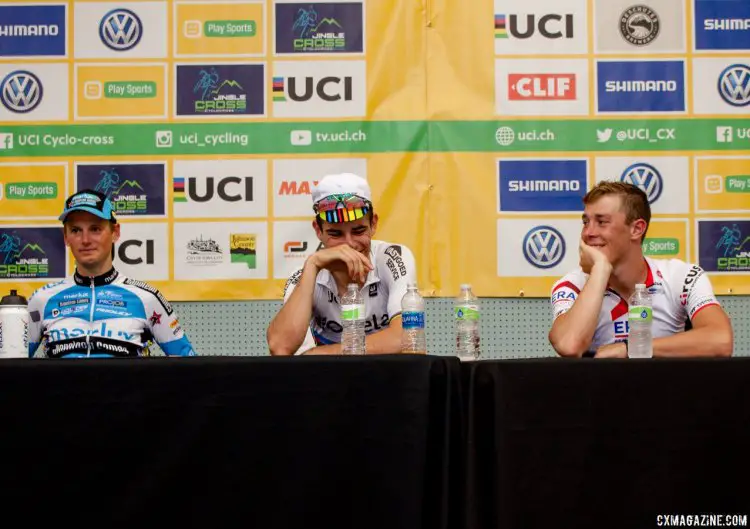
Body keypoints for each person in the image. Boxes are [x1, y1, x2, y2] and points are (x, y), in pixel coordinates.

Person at [548, 181, 733, 358]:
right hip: (600, 389)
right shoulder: (571, 285)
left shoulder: (682, 276)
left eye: (602, 222)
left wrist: (632, 349)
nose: (588, 232)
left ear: (636, 229)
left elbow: (721, 340)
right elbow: (569, 345)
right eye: (586, 222)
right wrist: (600, 270)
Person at [27, 189, 196, 358]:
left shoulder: (146, 298)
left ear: (115, 232)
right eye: (76, 230)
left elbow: (188, 367)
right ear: (66, 237)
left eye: (95, 229)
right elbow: (10, 368)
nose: (85, 240)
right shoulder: (42, 300)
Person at [267, 172, 417, 355]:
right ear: (318, 230)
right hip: (331, 380)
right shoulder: (305, 274)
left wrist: (321, 353)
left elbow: (408, 338)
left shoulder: (393, 257)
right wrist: (313, 264)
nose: (349, 245)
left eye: (358, 231)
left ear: (373, 224)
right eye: (336, 234)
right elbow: (280, 347)